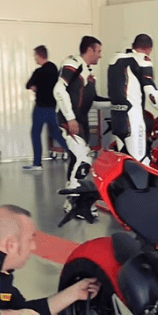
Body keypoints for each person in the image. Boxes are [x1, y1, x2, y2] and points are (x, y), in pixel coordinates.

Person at [55, 36, 108, 212]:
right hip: (69, 122)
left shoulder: (88, 73)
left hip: (81, 122)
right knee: (81, 158)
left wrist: (120, 104)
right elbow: (59, 89)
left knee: (81, 158)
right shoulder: (73, 63)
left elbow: (93, 101)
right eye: (98, 51)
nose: (100, 56)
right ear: (90, 50)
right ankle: (73, 202)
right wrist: (70, 118)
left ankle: (76, 201)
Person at [107, 34, 158, 163]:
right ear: (149, 49)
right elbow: (151, 94)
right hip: (133, 120)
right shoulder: (142, 60)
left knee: (124, 161)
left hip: (117, 118)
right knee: (141, 163)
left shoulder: (115, 59)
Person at [22, 45, 66, 171]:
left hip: (40, 108)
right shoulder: (54, 69)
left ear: (39, 55)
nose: (34, 59)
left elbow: (28, 84)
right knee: (55, 133)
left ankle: (37, 163)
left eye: (35, 56)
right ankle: (73, 153)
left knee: (35, 133)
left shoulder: (39, 72)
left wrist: (34, 87)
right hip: (52, 107)